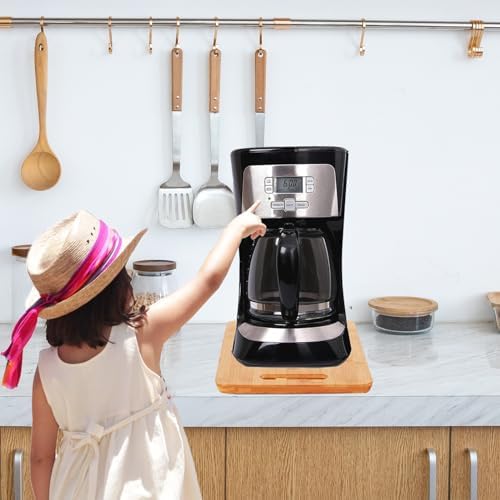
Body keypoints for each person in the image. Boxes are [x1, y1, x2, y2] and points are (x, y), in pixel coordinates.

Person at [1, 204, 266, 499]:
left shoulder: (47, 369)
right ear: (113, 290)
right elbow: (208, 281)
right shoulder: (142, 334)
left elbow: (41, 458)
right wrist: (235, 230)